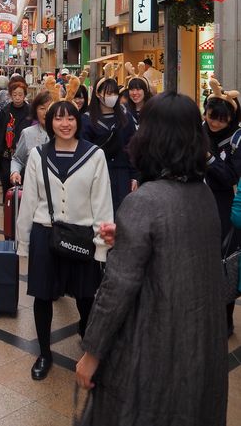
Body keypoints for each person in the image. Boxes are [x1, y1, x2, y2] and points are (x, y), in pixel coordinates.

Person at [76, 92, 228, 426]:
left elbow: (117, 288)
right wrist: (130, 236)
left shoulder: (144, 200)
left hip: (151, 350)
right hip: (199, 348)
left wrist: (91, 353)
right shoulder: (201, 193)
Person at [17, 100, 113, 380]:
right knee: (43, 296)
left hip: (82, 234)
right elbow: (29, 202)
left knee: (86, 297)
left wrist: (102, 248)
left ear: (78, 121)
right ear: (50, 123)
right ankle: (44, 353)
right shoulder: (37, 155)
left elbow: (102, 203)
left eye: (70, 118)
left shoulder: (94, 155)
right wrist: (23, 245)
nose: (65, 123)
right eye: (58, 119)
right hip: (45, 233)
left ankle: (89, 345)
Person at [203, 77, 241, 337]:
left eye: (220, 119)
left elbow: (230, 177)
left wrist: (208, 158)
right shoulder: (197, 131)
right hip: (196, 200)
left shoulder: (237, 141)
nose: (214, 122)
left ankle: (226, 317)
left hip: (222, 205)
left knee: (224, 261)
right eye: (210, 116)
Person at [80, 65, 136, 212]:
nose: (112, 96)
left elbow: (132, 147)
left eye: (115, 93)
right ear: (98, 94)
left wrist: (134, 175)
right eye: (108, 93)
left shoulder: (125, 116)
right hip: (97, 174)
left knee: (122, 213)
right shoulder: (86, 120)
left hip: (122, 173)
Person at [0, 78, 31, 199]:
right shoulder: (5, 111)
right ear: (10, 95)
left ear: (25, 95)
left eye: (20, 94)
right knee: (7, 187)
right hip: (6, 156)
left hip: (24, 157)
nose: (18, 97)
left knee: (23, 190)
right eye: (15, 95)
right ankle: (8, 212)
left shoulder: (30, 111)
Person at [9, 90, 52, 185]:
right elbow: (18, 159)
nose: (46, 113)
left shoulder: (64, 135)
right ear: (35, 110)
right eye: (42, 108)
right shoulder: (27, 133)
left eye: (50, 108)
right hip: (32, 188)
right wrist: (15, 172)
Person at [123, 62, 152, 129]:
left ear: (145, 90)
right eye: (131, 89)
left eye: (138, 89)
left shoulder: (153, 110)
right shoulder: (123, 110)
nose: (134, 93)